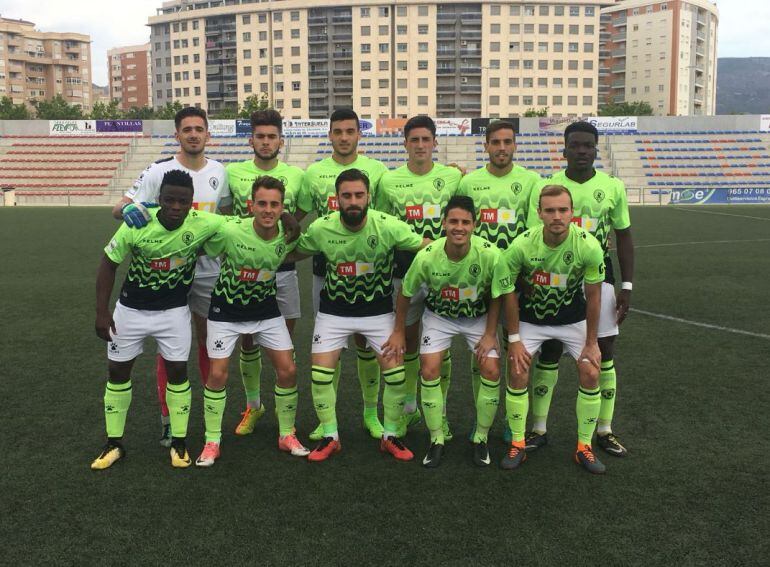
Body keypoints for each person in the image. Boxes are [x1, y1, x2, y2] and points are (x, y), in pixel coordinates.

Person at [287, 169, 430, 462]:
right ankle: (331, 436)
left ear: (369, 197)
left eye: (359, 195)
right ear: (336, 199)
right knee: (320, 374)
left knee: (396, 375)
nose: (353, 201)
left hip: (378, 312)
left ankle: (390, 436)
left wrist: (465, 248)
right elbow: (290, 253)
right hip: (333, 312)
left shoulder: (387, 225)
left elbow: (425, 246)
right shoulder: (321, 228)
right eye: (346, 195)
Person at [111, 106, 231, 448]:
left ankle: (211, 425)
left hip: (208, 271)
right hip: (166, 276)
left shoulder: (219, 171)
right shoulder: (158, 171)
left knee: (211, 344)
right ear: (177, 134)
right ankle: (168, 421)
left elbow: (224, 216)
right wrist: (129, 208)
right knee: (170, 350)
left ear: (208, 135)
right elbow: (119, 206)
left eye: (199, 129)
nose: (193, 134)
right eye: (187, 129)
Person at [92, 170, 224, 470]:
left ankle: (178, 442)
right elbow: (108, 264)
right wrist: (102, 311)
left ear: (192, 203)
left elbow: (243, 225)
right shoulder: (136, 223)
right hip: (130, 311)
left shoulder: (204, 223)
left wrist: (284, 217)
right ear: (158, 200)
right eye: (169, 200)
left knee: (178, 373)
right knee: (117, 372)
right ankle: (114, 443)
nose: (176, 207)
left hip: (174, 313)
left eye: (183, 201)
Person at [525, 121, 634, 457]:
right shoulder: (548, 187)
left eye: (588, 145)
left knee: (604, 352)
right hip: (555, 279)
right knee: (551, 351)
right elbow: (533, 241)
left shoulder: (613, 187)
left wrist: (626, 285)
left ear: (596, 149)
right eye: (576, 145)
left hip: (599, 277)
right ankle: (539, 429)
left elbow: (625, 237)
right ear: (565, 149)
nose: (582, 151)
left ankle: (604, 430)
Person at [195, 176, 308, 467]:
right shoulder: (230, 231)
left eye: (275, 204)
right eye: (262, 204)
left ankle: (286, 434)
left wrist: (290, 221)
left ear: (283, 207)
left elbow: (309, 243)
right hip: (226, 311)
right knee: (218, 374)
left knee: (288, 369)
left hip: (266, 310)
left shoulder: (288, 233)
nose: (268, 210)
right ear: (250, 205)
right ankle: (212, 441)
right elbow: (197, 234)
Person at [385, 196, 505, 468]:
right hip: (440, 317)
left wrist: (489, 333)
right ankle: (437, 438)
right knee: (429, 370)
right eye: (453, 221)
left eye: (465, 222)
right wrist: (399, 331)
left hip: (477, 318)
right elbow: (405, 292)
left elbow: (498, 295)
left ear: (475, 225)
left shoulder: (490, 254)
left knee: (492, 369)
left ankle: (481, 437)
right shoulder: (427, 256)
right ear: (443, 224)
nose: (458, 227)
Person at [495, 185, 606, 474]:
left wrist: (592, 342)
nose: (557, 216)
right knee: (517, 369)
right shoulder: (522, 245)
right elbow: (507, 291)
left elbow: (594, 296)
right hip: (532, 321)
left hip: (573, 320)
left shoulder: (588, 246)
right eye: (550, 210)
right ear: (539, 213)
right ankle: (518, 443)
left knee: (592, 370)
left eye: (562, 210)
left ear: (572, 213)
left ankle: (584, 447)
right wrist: (515, 339)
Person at [297, 109, 390, 441]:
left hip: (369, 277)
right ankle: (327, 419)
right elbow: (298, 215)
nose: (344, 137)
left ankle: (370, 413)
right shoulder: (314, 174)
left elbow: (384, 218)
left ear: (358, 134)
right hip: (325, 273)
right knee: (329, 351)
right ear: (330, 134)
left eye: (350, 131)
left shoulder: (377, 171)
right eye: (338, 131)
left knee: (367, 344)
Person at [376, 115, 463, 439]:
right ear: (406, 144)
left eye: (426, 139)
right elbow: (385, 224)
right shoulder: (389, 181)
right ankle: (410, 408)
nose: (421, 145)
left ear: (435, 142)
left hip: (444, 272)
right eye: (415, 140)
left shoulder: (452, 177)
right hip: (404, 271)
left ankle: (440, 412)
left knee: (441, 344)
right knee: (408, 340)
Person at [224, 110, 305, 437]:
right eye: (261, 136)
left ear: (281, 140)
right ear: (251, 140)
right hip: (244, 274)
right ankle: (254, 405)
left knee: (283, 344)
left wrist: (287, 224)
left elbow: (300, 214)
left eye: (272, 136)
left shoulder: (297, 175)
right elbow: (227, 212)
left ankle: (286, 418)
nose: (267, 142)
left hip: (283, 270)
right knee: (248, 341)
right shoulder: (233, 173)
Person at [455, 120, 541, 426]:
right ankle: (485, 416)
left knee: (515, 347)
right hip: (479, 277)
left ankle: (513, 419)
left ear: (515, 145)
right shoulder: (469, 183)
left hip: (517, 279)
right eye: (496, 142)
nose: (502, 148)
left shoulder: (531, 181)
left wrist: (520, 273)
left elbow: (533, 232)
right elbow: (461, 225)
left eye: (508, 142)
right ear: (486, 146)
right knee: (482, 349)